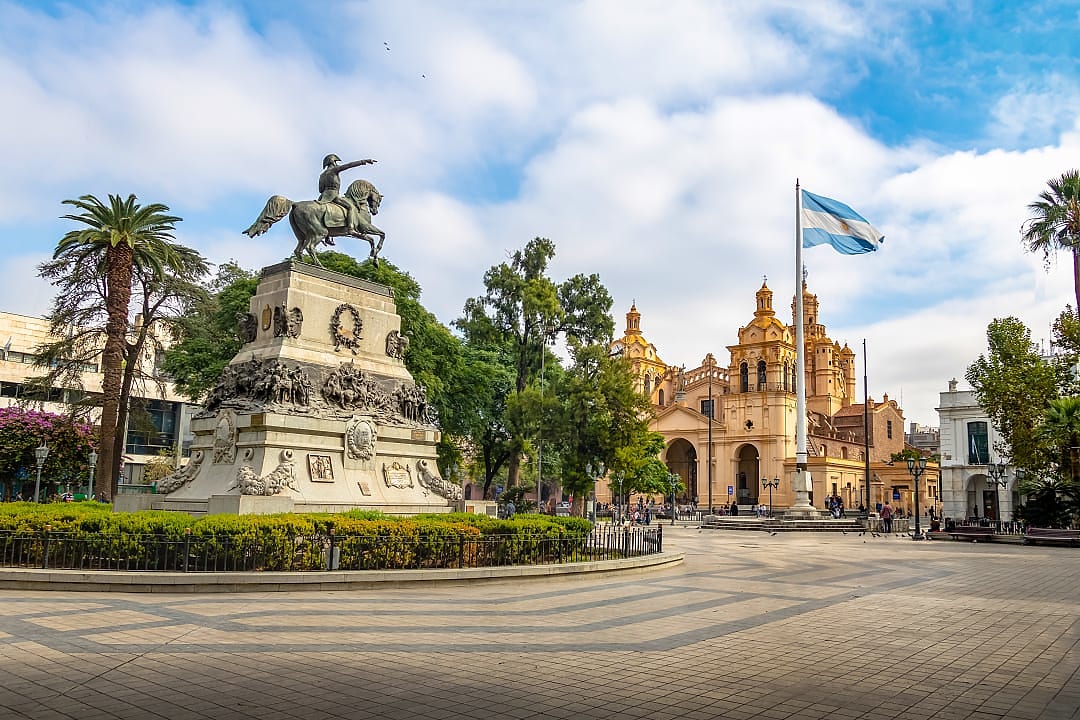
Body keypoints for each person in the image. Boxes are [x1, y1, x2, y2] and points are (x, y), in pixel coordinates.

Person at [318, 154, 377, 234]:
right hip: (333, 195)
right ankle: (350, 228)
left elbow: (320, 189)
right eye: (335, 162)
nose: (336, 164)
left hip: (323, 197)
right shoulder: (334, 170)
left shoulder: (322, 175)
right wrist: (363, 161)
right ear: (332, 162)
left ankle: (328, 235)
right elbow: (348, 166)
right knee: (350, 207)